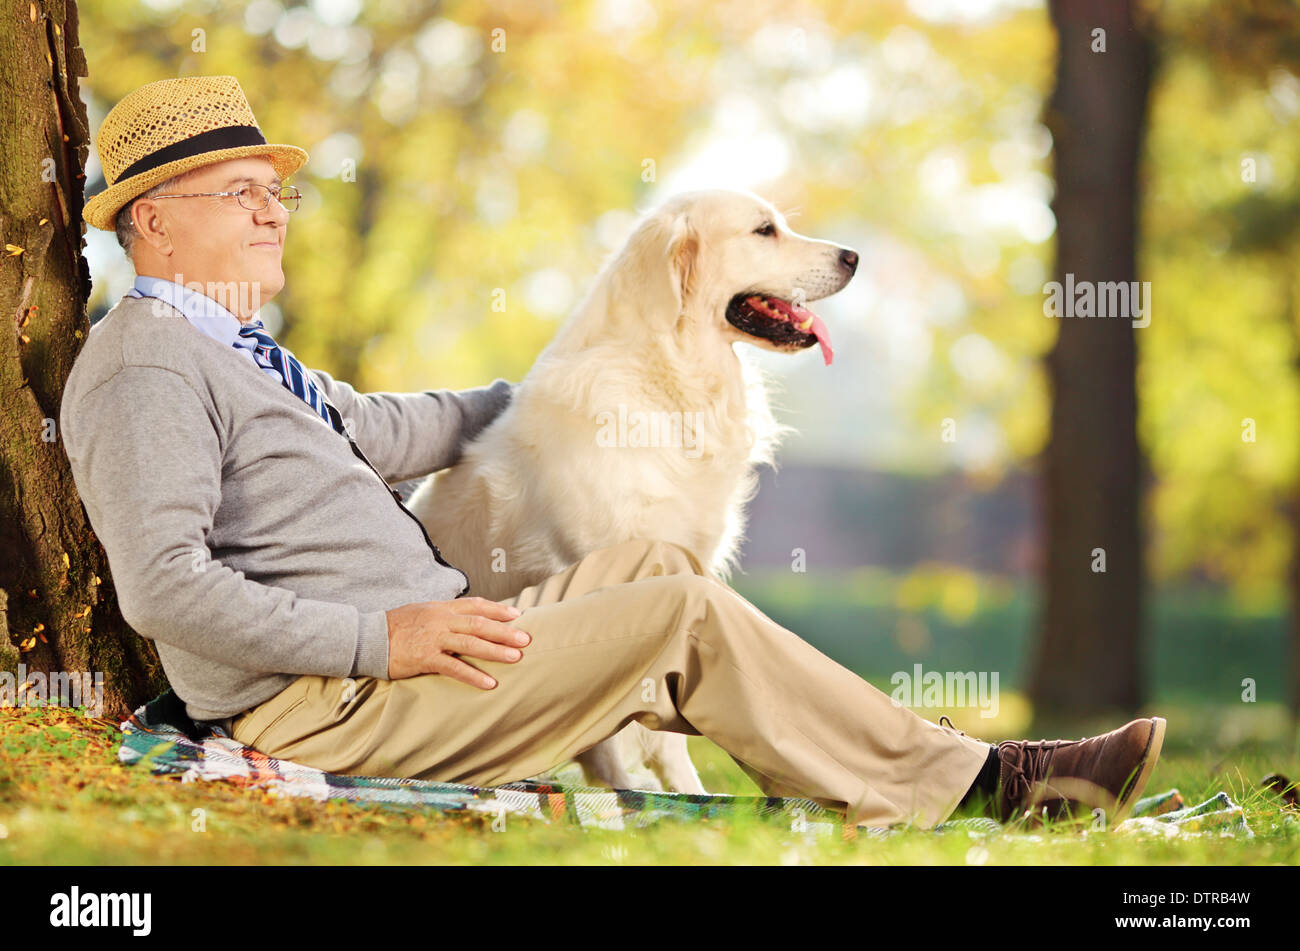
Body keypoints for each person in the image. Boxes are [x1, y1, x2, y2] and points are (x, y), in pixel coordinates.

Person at [62, 75, 1166, 831]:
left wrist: (570, 383)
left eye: (277, 192)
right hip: (340, 698)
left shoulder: (242, 353)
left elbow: (389, 427)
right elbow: (166, 588)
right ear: (152, 224)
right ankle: (981, 784)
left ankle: (891, 769)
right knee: (677, 612)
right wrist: (380, 638)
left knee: (660, 572)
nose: (275, 216)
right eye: (242, 194)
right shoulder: (146, 366)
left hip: (429, 656)